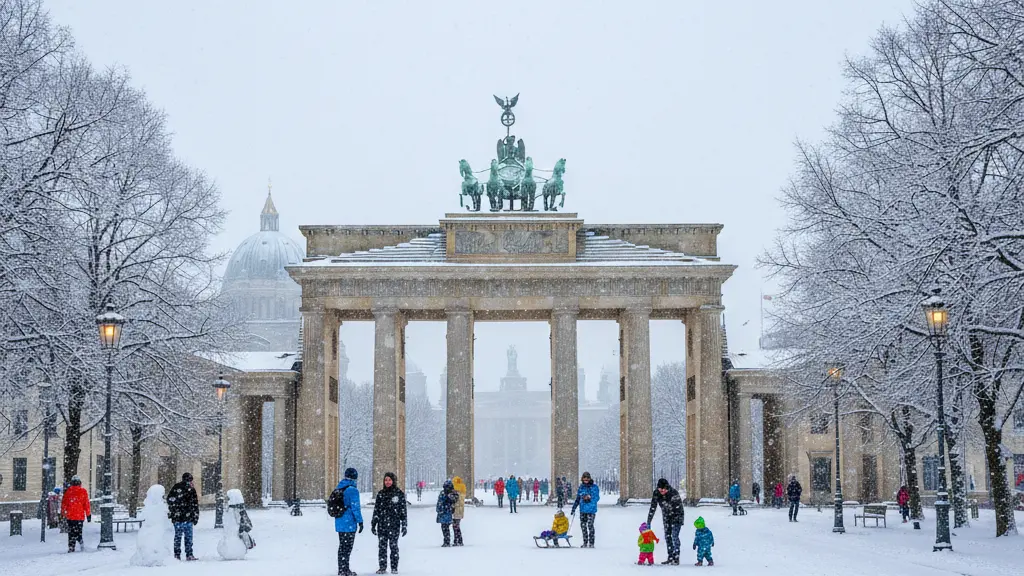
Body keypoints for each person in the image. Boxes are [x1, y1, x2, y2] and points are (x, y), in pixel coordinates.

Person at [371, 472, 407, 574]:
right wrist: (374, 523)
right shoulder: (380, 494)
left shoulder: (399, 494)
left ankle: (394, 567)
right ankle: (382, 567)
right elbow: (376, 510)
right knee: (382, 547)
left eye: (389, 480)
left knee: (393, 546)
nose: (387, 482)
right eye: (386, 480)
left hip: (394, 525)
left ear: (393, 481)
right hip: (382, 525)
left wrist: (404, 524)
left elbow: (403, 511)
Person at [333, 468, 364, 576]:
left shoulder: (339, 487)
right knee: (347, 547)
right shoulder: (352, 490)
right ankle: (345, 569)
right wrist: (360, 521)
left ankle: (341, 569)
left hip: (340, 521)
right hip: (349, 522)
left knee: (342, 546)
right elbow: (356, 508)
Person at [647, 478, 685, 565]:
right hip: (666, 517)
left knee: (674, 536)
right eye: (660, 489)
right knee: (668, 536)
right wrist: (649, 521)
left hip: (677, 516)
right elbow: (653, 507)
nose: (662, 491)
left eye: (663, 489)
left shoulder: (673, 493)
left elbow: (678, 509)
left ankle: (676, 557)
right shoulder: (656, 493)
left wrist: (675, 521)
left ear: (667, 488)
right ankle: (670, 556)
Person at [167, 472, 200, 561]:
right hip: (187, 517)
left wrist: (174, 510)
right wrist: (195, 516)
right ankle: (189, 554)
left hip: (178, 517)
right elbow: (195, 504)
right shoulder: (191, 489)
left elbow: (170, 499)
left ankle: (177, 555)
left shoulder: (177, 487)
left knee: (178, 537)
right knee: (188, 537)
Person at [60, 475, 90, 553]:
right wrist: (88, 514)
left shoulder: (68, 491)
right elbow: (86, 504)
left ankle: (71, 547)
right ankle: (80, 541)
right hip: (80, 516)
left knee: (71, 532)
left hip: (70, 516)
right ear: (79, 483)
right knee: (79, 531)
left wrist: (63, 513)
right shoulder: (83, 491)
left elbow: (64, 504)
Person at [571, 471, 600, 548]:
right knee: (583, 526)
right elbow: (578, 498)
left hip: (591, 510)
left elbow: (596, 497)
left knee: (590, 525)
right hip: (583, 510)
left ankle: (591, 542)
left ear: (589, 478)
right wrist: (574, 507)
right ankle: (585, 542)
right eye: (584, 478)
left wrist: (589, 498)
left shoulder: (594, 487)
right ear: (582, 479)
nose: (586, 479)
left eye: (587, 478)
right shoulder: (581, 487)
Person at [435, 480, 457, 546]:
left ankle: (446, 541)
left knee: (445, 528)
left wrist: (439, 509)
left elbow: (440, 503)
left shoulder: (445, 494)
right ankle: (447, 540)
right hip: (446, 513)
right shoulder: (450, 494)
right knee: (445, 528)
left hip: (444, 513)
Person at [451, 476, 467, 546]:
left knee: (455, 526)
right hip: (460, 511)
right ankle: (458, 540)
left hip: (455, 511)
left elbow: (455, 503)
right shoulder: (462, 490)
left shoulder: (456, 493)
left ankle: (457, 540)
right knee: (457, 526)